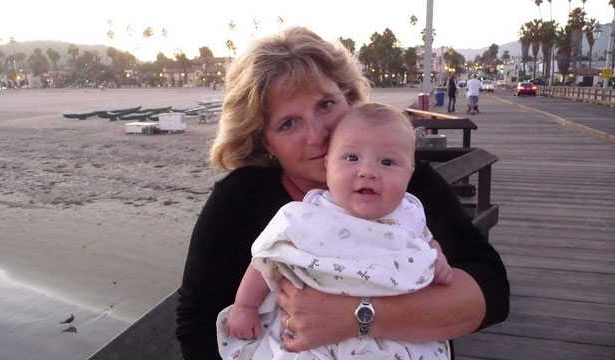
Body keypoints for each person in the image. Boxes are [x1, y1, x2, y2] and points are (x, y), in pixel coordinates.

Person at [175, 26, 509, 359]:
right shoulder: (242, 200)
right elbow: (196, 329)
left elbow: (491, 292)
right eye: (288, 124)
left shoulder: (404, 182)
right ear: (266, 142)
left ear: (349, 100)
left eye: (325, 105)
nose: (317, 135)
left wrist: (354, 318)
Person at [218, 102, 453, 359]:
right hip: (316, 346)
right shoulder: (307, 215)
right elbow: (268, 260)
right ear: (328, 166)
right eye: (351, 158)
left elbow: (426, 239)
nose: (368, 172)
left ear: (409, 174)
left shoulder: (409, 212)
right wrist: (245, 306)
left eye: (387, 162)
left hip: (394, 339)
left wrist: (437, 256)